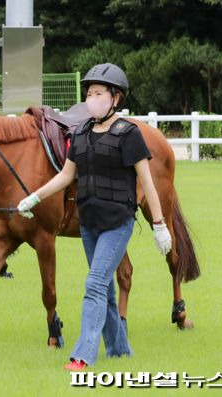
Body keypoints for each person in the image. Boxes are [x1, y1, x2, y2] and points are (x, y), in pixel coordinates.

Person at [17, 63, 172, 370]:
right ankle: (119, 350)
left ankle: (83, 355)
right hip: (89, 224)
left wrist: (160, 225)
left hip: (118, 222)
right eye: (89, 93)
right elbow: (65, 177)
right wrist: (34, 197)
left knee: (95, 284)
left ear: (115, 98)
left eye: (99, 93)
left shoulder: (129, 135)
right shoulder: (83, 132)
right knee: (107, 291)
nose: (92, 98)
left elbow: (148, 183)